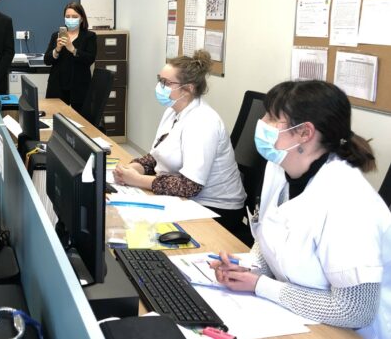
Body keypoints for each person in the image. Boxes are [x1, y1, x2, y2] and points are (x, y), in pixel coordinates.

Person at [210, 81, 391, 336]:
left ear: (305, 133)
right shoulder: (280, 166)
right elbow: (270, 235)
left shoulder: (349, 201)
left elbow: (354, 309)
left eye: (272, 118)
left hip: (347, 332)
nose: (261, 122)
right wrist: (248, 269)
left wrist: (260, 285)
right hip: (294, 317)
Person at [112, 50, 246, 235]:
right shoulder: (173, 110)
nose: (160, 86)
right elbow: (157, 155)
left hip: (215, 209)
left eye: (166, 83)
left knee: (143, 231)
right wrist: (135, 168)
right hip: (185, 200)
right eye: (160, 80)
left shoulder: (202, 122)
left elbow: (190, 186)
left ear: (189, 88)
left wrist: (138, 180)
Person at [43, 2, 97, 112]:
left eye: (74, 16)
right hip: (57, 87)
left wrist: (72, 49)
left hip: (79, 88)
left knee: (81, 122)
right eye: (67, 17)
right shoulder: (56, 35)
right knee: (54, 118)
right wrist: (57, 49)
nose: (70, 19)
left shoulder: (89, 36)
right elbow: (47, 60)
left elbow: (89, 59)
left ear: (81, 19)